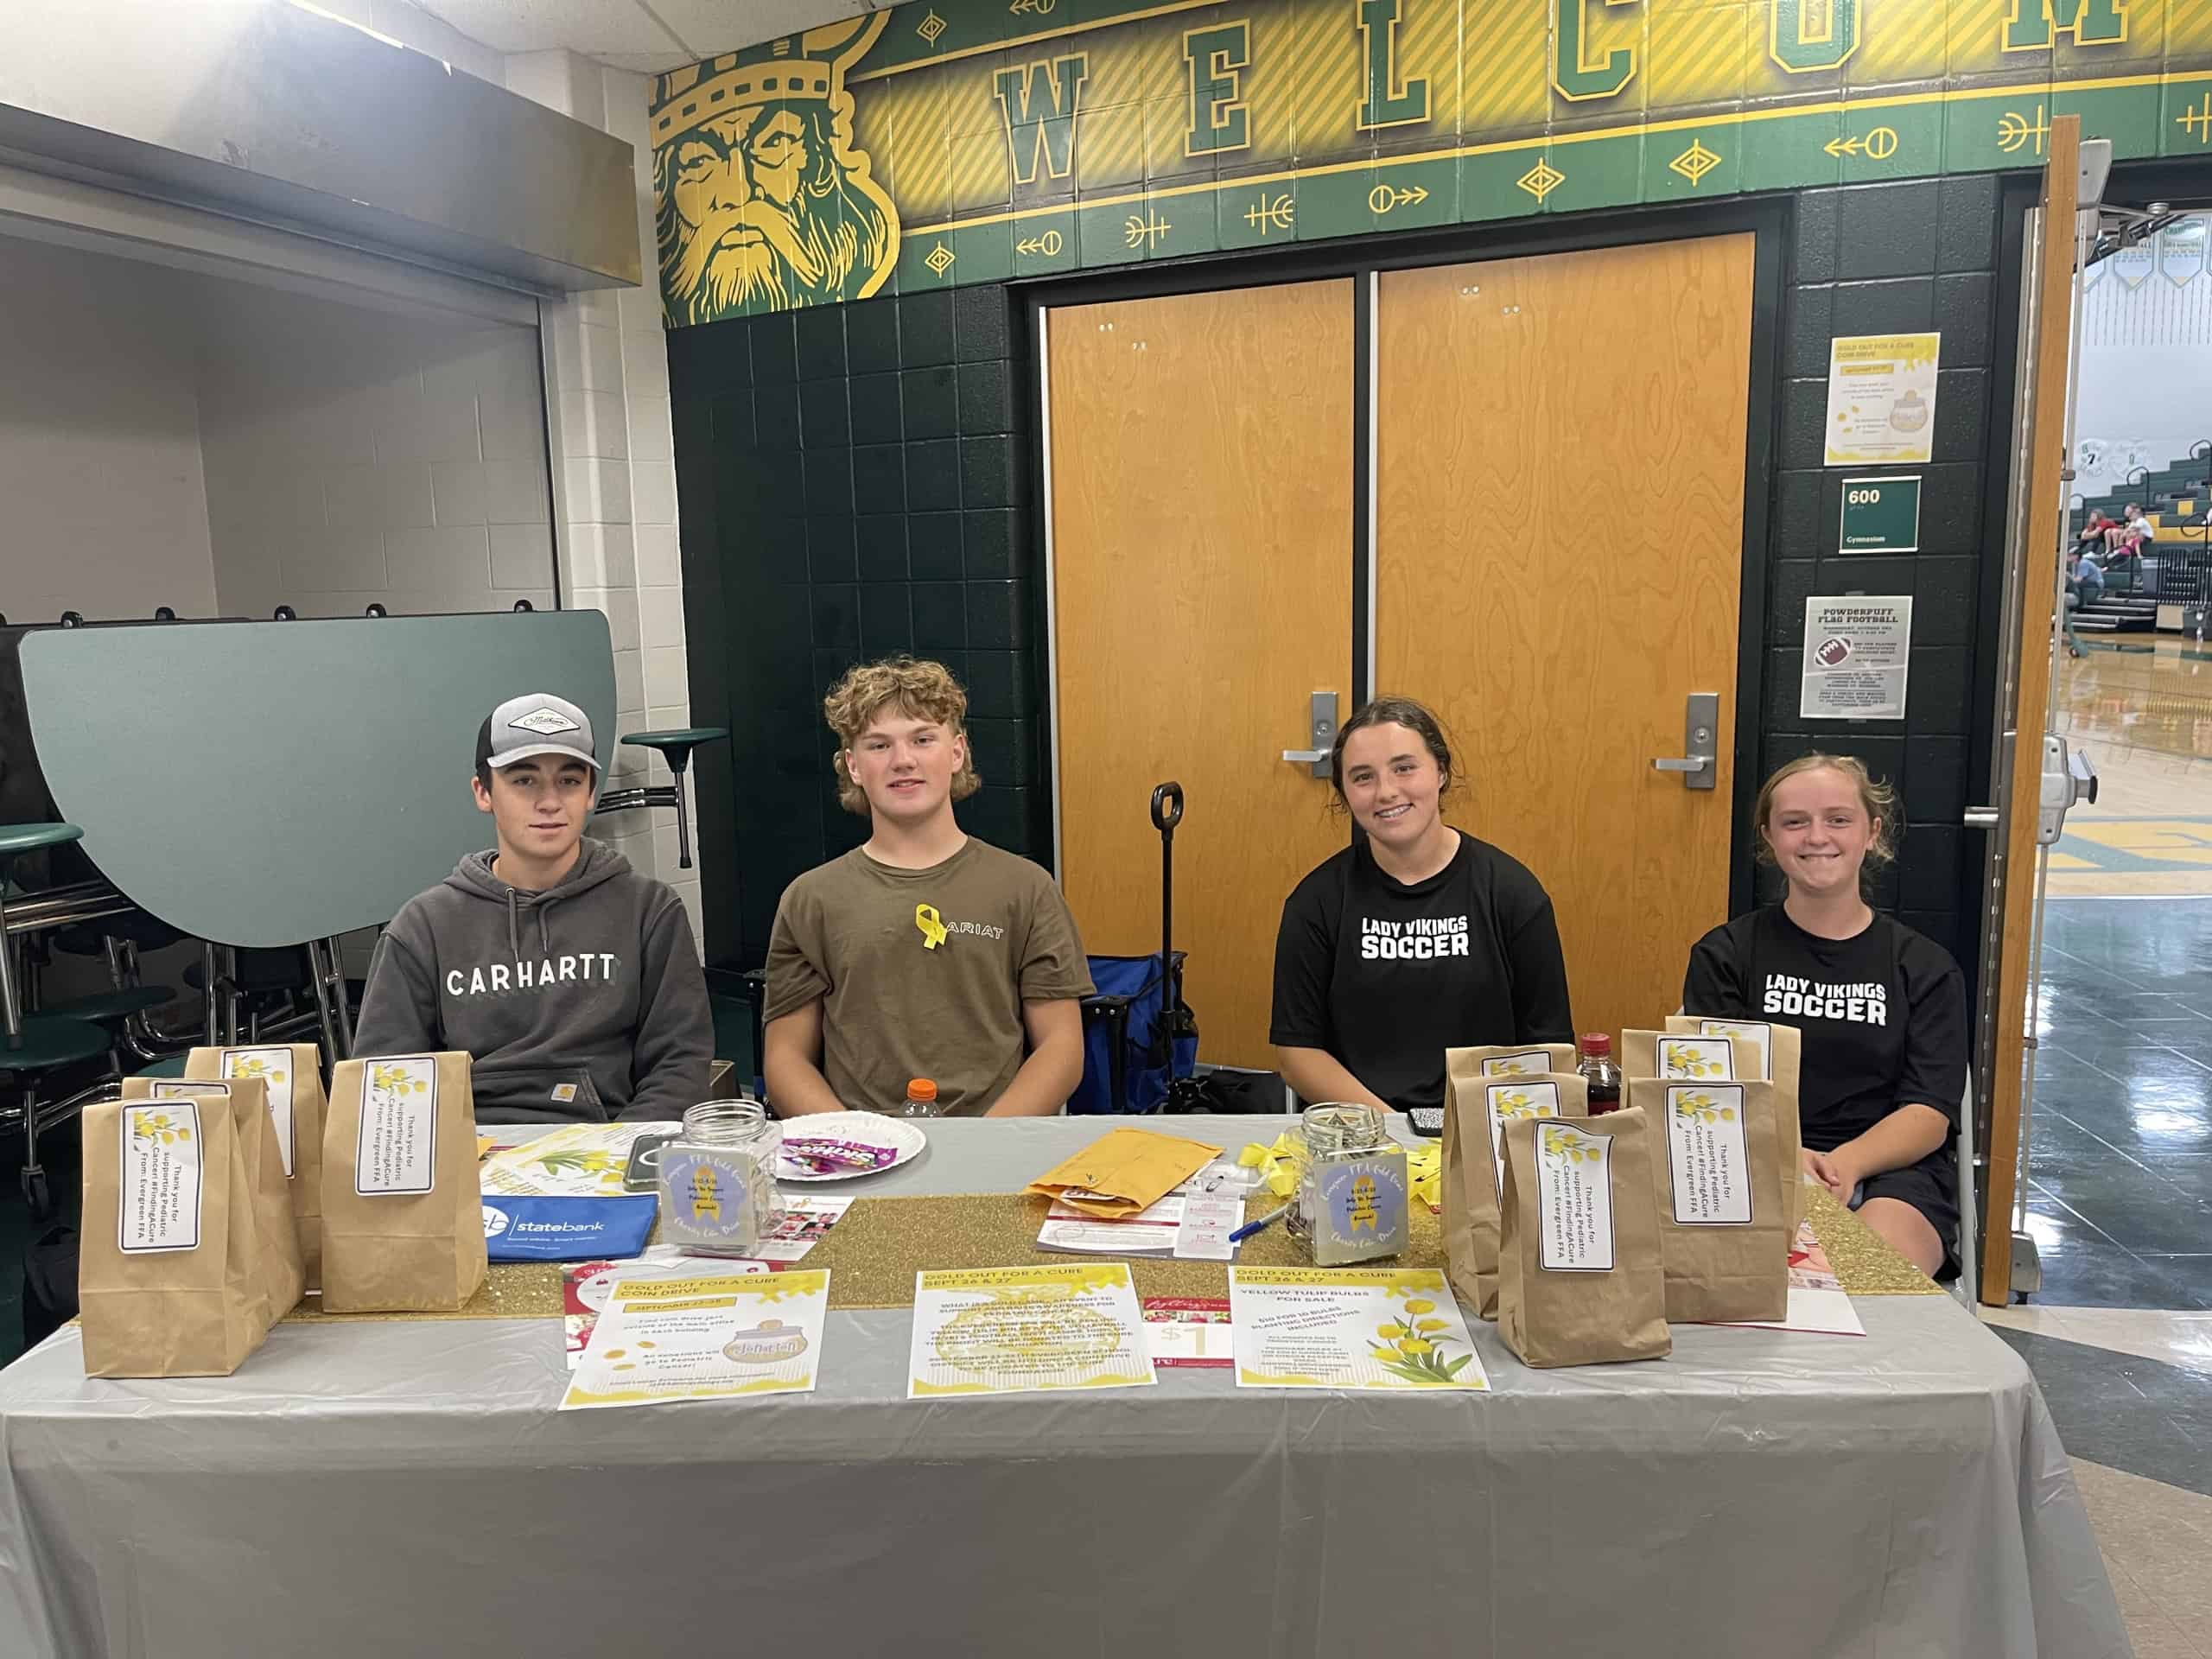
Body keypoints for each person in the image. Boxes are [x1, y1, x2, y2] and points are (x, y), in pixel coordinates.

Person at [353, 694, 714, 1122]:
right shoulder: (423, 928)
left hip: (607, 1154)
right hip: (468, 1160)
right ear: (483, 792)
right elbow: (386, 1083)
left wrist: (618, 1159)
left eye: (569, 780)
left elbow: (679, 1066)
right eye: (524, 781)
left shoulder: (649, 911)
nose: (549, 802)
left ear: (590, 794)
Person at [762, 657, 1092, 1118]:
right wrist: (853, 1142)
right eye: (879, 746)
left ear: (956, 753)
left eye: (922, 739)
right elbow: (784, 1059)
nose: (903, 761)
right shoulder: (811, 899)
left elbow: (1061, 1049)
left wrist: (983, 1143)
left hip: (994, 1145)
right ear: (854, 766)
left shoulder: (1025, 888)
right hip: (860, 1152)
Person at [1681, 754, 1967, 1278]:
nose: (1817, 837)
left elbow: (1930, 1111)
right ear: (1770, 836)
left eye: (1838, 819)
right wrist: (1792, 1158)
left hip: (1890, 1170)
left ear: (1871, 831)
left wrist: (1848, 1164)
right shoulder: (1726, 955)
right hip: (1753, 1162)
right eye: (1795, 822)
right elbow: (1712, 1092)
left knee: (1868, 1280)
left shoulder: (1924, 967)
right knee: (1755, 1286)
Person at [1270, 696, 1573, 1119]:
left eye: (1404, 767)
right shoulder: (1316, 903)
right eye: (1363, 777)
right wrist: (1393, 1129)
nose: (1387, 791)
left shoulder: (1513, 894)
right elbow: (1297, 1052)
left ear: (1441, 772)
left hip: (1486, 1130)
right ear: (1345, 794)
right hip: (1364, 1133)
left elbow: (1547, 1045)